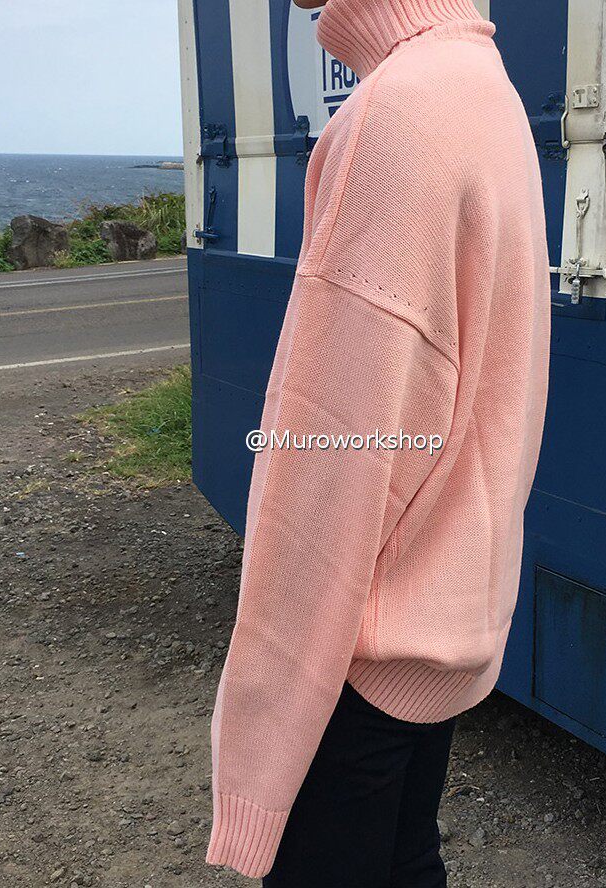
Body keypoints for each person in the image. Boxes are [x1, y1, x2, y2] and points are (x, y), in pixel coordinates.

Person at [205, 0, 550, 884]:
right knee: (404, 860)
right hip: (442, 607)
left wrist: (269, 707)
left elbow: (328, 456)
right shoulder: (481, 81)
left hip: (361, 648)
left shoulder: (395, 111)